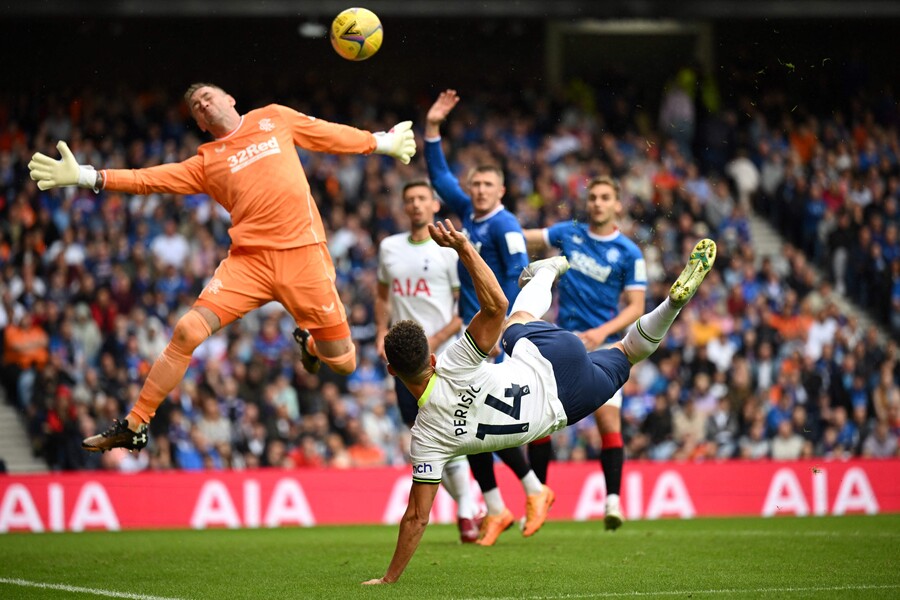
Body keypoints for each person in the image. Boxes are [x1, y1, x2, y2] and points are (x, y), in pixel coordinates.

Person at [28, 82, 416, 452]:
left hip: (304, 257)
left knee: (345, 363)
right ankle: (136, 424)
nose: (203, 104)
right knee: (186, 331)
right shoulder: (206, 161)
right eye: (196, 106)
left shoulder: (273, 118)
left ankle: (310, 343)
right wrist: (86, 175)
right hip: (249, 264)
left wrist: (381, 142)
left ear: (230, 99)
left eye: (207, 97)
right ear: (199, 123)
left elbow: (326, 135)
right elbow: (150, 180)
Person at [364, 219, 715, 584]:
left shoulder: (426, 440)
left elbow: (417, 517)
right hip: (549, 355)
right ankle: (548, 275)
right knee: (515, 321)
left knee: (626, 353)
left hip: (564, 404)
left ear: (391, 370)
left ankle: (671, 308)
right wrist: (465, 248)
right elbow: (496, 304)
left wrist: (389, 579)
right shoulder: (452, 362)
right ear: (431, 359)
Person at [425, 89, 546, 545]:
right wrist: (433, 128)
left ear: (501, 190)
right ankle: (497, 506)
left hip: (489, 337)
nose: (477, 190)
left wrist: (506, 331)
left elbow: (518, 275)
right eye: (473, 184)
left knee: (474, 422)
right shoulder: (472, 219)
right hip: (471, 335)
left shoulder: (505, 225)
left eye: (486, 185)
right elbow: (438, 176)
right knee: (464, 425)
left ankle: (532, 491)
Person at [522, 176, 646, 530]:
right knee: (539, 419)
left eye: (605, 197)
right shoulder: (569, 233)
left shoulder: (629, 253)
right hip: (562, 340)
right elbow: (530, 236)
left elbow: (636, 306)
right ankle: (540, 498)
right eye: (593, 197)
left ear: (617, 205)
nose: (597, 203)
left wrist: (603, 333)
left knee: (608, 421)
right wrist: (493, 232)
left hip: (604, 344)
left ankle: (613, 502)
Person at [374, 179, 481, 543]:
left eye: (422, 198)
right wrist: (379, 332)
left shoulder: (448, 251)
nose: (416, 204)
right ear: (404, 207)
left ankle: (467, 510)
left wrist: (430, 342)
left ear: (435, 205)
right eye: (410, 199)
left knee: (442, 430)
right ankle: (470, 503)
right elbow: (382, 295)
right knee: (421, 430)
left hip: (443, 356)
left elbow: (462, 310)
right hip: (405, 361)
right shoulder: (389, 247)